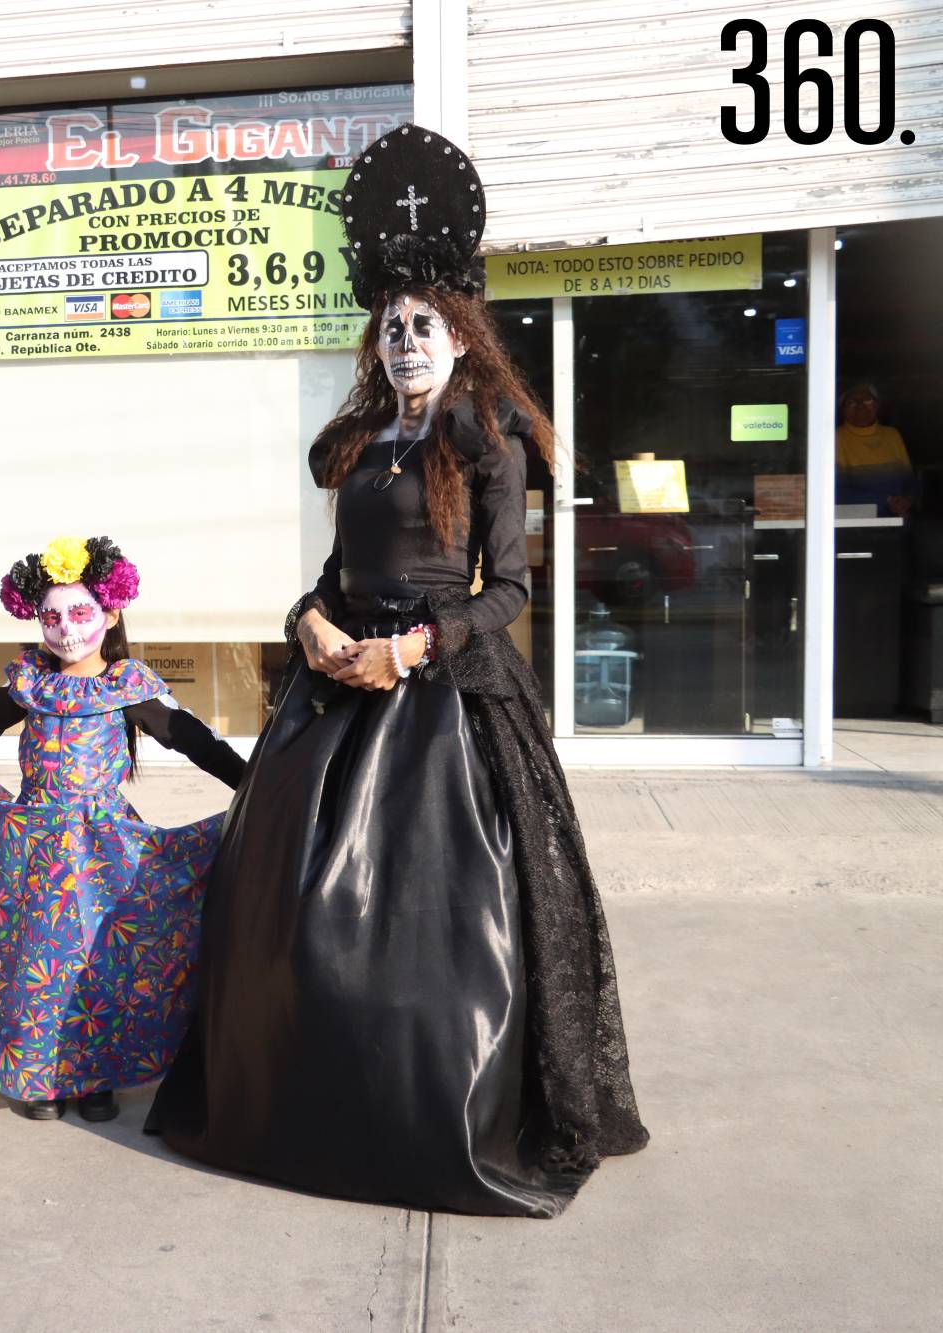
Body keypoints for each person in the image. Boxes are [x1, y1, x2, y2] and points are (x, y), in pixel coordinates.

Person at [144, 126, 648, 1217]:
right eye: (391, 327)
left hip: (443, 692)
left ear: (461, 340)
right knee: (280, 903)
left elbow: (507, 590)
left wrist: (413, 647)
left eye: (425, 326)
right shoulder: (360, 442)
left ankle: (425, 1112)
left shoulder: (488, 440)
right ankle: (292, 1101)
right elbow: (328, 572)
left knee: (445, 920)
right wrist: (308, 626)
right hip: (333, 690)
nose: (407, 340)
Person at [0, 537, 243, 1123]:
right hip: (34, 848)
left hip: (106, 851)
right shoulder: (27, 687)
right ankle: (41, 1078)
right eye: (52, 616)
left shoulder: (125, 690)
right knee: (39, 957)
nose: (65, 630)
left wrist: (253, 784)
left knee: (103, 961)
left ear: (111, 614)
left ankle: (96, 1079)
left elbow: (192, 740)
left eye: (81, 613)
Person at [835, 382, 915, 517]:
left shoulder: (892, 435)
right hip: (856, 523)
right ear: (842, 409)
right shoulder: (834, 438)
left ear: (877, 406)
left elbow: (909, 481)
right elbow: (833, 491)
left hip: (897, 519)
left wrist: (908, 499)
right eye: (852, 402)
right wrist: (885, 501)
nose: (861, 406)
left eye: (867, 400)